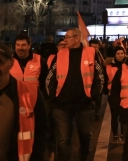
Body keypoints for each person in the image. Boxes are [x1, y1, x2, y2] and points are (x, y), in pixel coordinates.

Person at [45, 28, 104, 161]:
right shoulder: (60, 55)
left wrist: (93, 96)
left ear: (77, 38)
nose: (65, 40)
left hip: (84, 105)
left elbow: (100, 76)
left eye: (68, 37)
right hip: (62, 105)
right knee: (63, 140)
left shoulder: (91, 53)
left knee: (85, 137)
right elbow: (50, 78)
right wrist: (53, 97)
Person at [105, 46, 126, 143]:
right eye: (118, 53)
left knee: (123, 115)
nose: (120, 55)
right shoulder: (108, 66)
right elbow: (105, 80)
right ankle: (115, 135)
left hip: (125, 93)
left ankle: (123, 134)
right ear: (115, 55)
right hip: (113, 94)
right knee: (115, 115)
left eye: (122, 53)